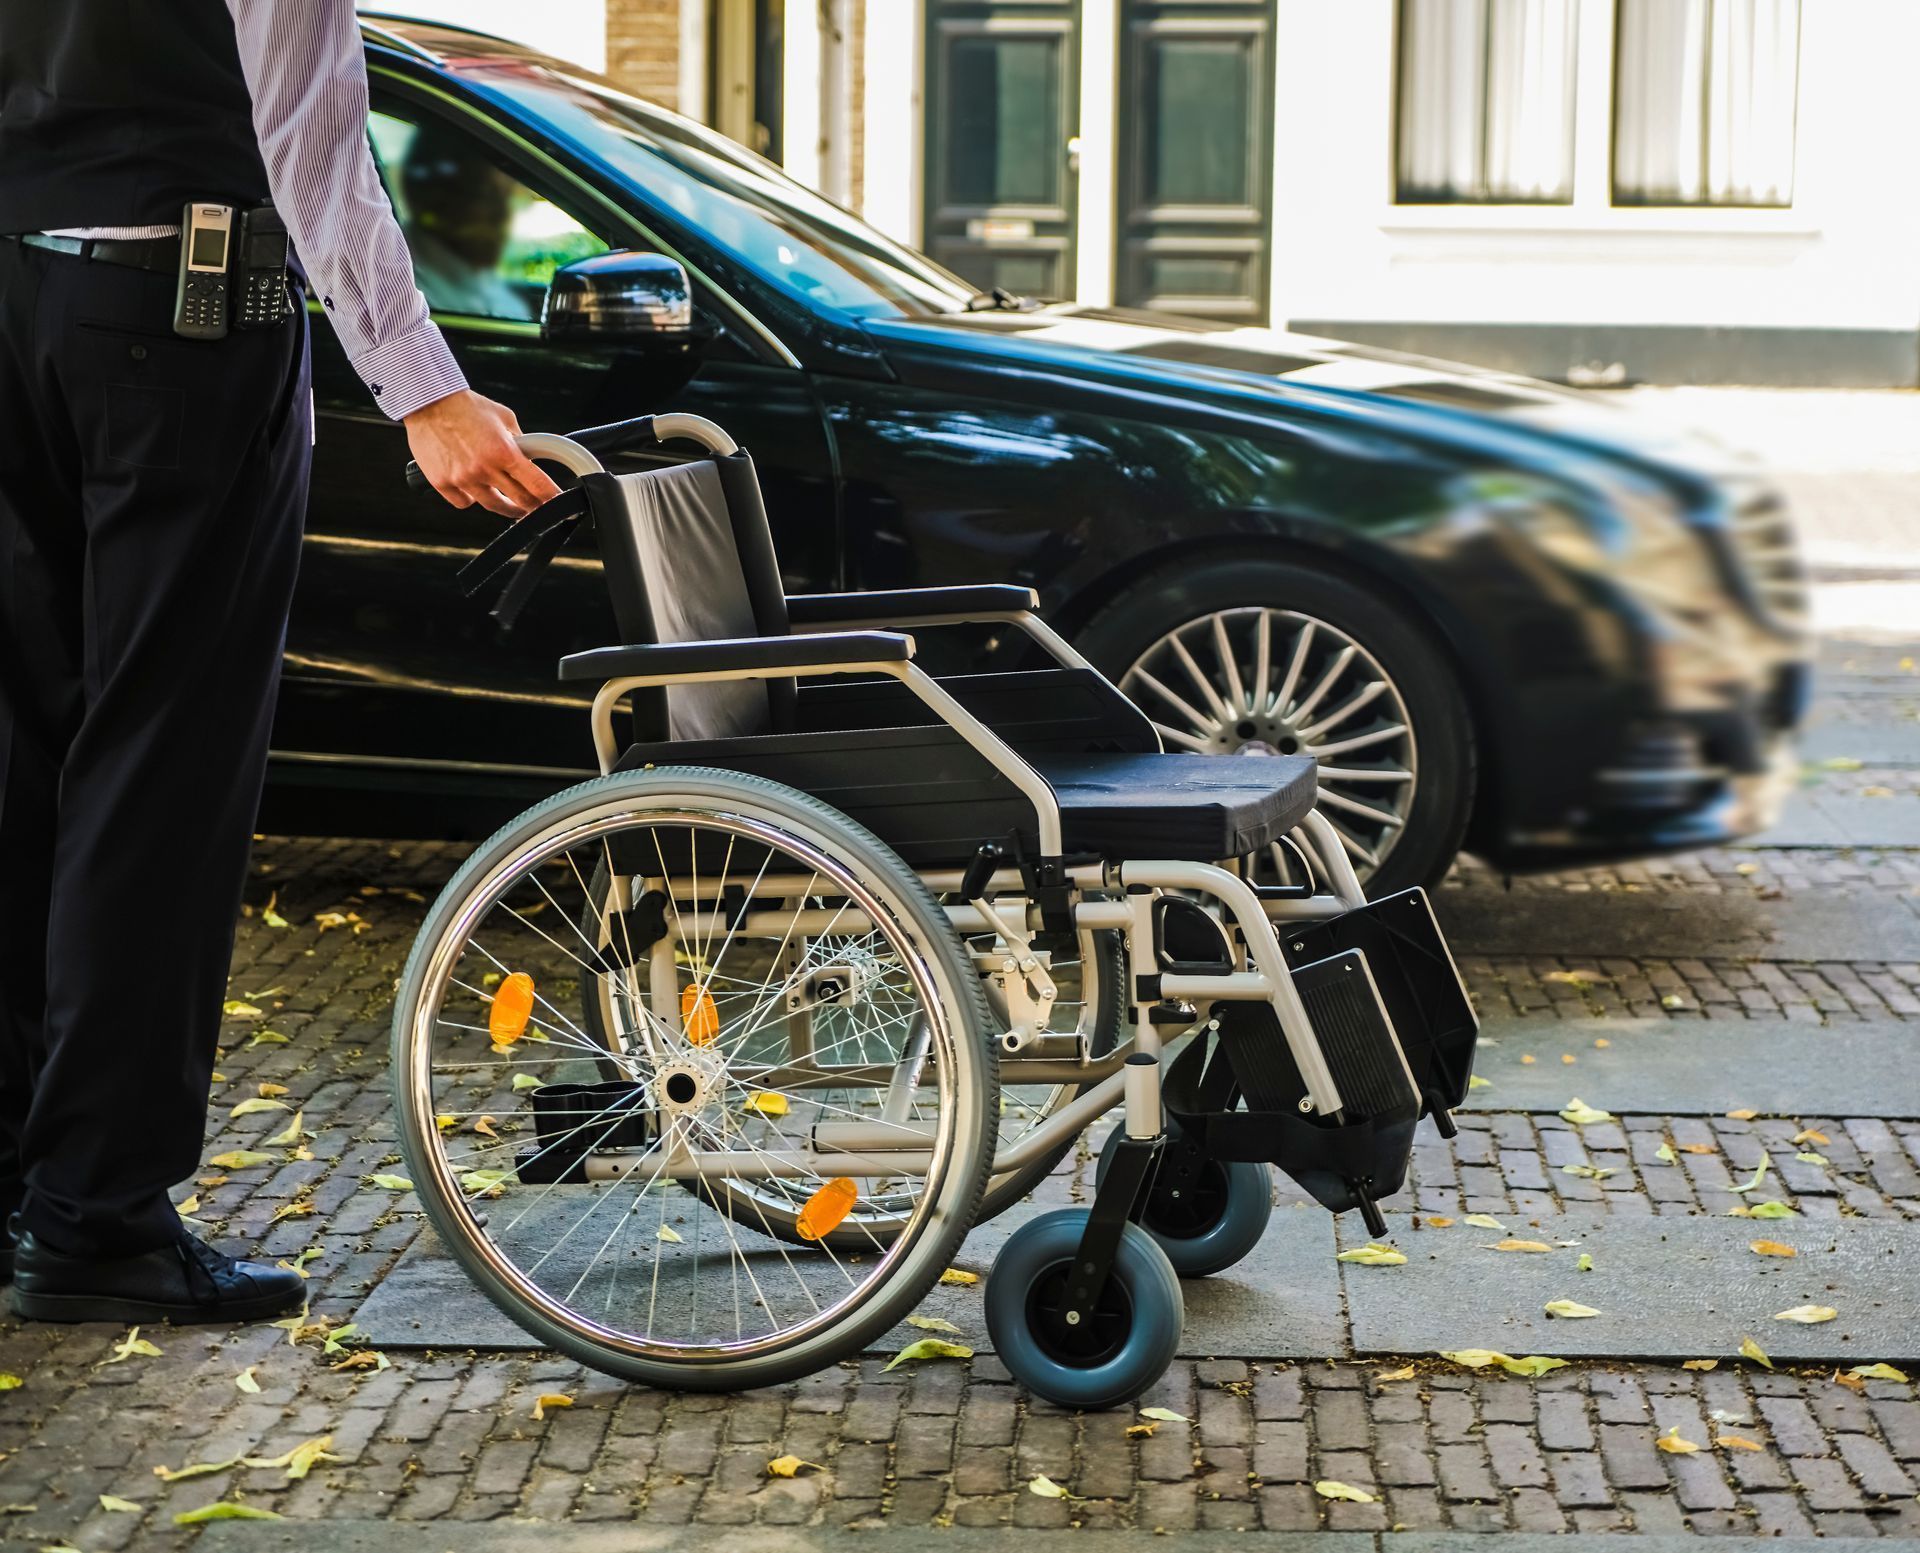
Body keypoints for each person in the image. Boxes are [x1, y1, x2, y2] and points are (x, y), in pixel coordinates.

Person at [0, 0, 562, 1323]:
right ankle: (96, 1221)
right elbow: (311, 129)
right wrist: (422, 385)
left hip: (16, 300)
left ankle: (25, 1185)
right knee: (162, 775)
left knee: (18, 755)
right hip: (176, 321)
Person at [399, 125, 537, 321]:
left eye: (508, 198)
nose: (502, 215)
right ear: (434, 197)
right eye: (485, 196)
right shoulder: (411, 293)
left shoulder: (479, 277)